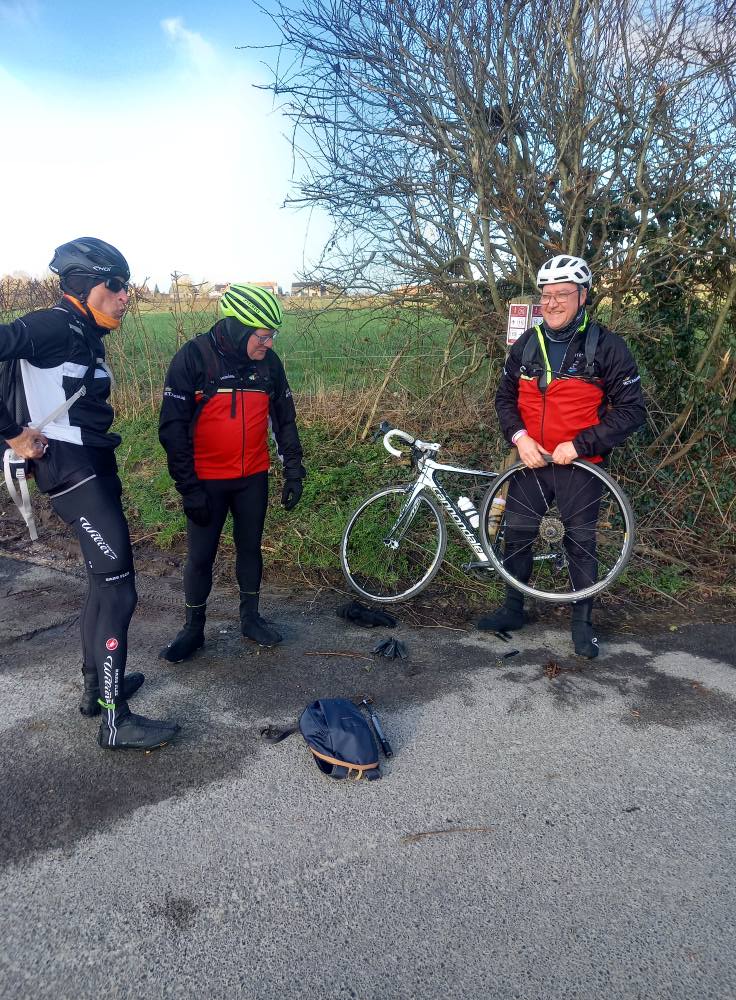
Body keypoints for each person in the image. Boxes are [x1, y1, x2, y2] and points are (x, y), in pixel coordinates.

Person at [0, 237, 180, 748]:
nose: (126, 296)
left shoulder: (84, 332)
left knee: (103, 585)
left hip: (91, 466)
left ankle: (95, 690)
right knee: (120, 589)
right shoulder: (55, 324)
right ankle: (115, 721)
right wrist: (12, 433)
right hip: (73, 471)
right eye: (116, 285)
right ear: (85, 286)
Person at [478, 254, 647, 657]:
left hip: (580, 465)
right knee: (517, 533)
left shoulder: (606, 346)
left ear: (583, 296)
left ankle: (582, 625)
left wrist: (581, 444)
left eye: (562, 295)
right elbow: (504, 399)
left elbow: (631, 411)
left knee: (581, 542)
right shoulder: (527, 344)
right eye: (546, 295)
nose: (551, 303)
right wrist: (519, 437)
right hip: (531, 460)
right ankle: (513, 609)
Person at [158, 283, 306, 661]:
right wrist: (188, 487)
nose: (269, 343)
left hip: (252, 477)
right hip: (206, 481)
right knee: (201, 556)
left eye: (273, 336)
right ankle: (193, 630)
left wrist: (293, 469)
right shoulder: (194, 357)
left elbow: (284, 419)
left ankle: (250, 619)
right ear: (239, 329)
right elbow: (173, 429)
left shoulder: (269, 365)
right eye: (263, 336)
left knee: (250, 548)